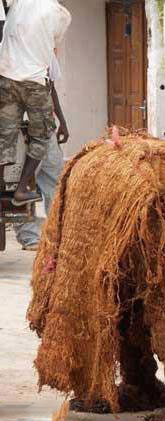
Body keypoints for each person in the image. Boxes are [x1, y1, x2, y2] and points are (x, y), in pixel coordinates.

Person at [0, 0, 71, 205]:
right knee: (41, 136)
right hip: (34, 83)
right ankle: (21, 190)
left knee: (6, 136)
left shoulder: (17, 4)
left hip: (7, 79)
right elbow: (53, 44)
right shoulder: (59, 13)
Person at [15, 54, 68, 251]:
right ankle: (29, 237)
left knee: (55, 180)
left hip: (46, 127)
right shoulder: (7, 50)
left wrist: (62, 122)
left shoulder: (46, 52)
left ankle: (56, 233)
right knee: (22, 181)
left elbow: (51, 89)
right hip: (18, 129)